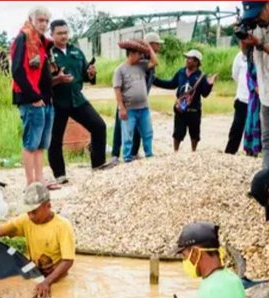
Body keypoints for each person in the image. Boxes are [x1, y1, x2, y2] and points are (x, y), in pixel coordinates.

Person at [0, 182, 75, 298]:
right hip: (37, 276)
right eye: (28, 212)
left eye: (34, 212)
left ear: (48, 206)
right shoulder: (26, 220)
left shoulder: (63, 226)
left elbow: (68, 261)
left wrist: (48, 282)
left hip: (57, 280)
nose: (31, 216)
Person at [11, 6, 67, 189]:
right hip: (30, 98)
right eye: (40, 20)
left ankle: (40, 180)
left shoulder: (43, 43)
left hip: (45, 98)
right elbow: (17, 70)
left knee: (42, 144)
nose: (43, 24)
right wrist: (32, 96)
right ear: (31, 20)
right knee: (30, 143)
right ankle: (30, 182)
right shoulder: (23, 39)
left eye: (46, 21)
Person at [48, 19, 108, 184]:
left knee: (99, 126)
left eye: (66, 32)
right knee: (55, 139)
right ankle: (60, 175)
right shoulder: (48, 53)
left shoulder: (76, 51)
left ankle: (98, 164)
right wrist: (58, 79)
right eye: (59, 33)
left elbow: (87, 76)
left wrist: (90, 73)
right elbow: (43, 81)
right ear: (51, 34)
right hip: (58, 101)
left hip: (77, 99)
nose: (64, 36)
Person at [111, 32, 164, 165]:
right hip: (129, 108)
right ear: (131, 53)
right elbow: (117, 90)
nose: (141, 56)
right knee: (127, 134)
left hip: (143, 108)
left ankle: (149, 154)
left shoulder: (141, 65)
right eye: (138, 54)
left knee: (147, 133)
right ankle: (127, 158)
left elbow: (155, 61)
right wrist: (121, 107)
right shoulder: (120, 70)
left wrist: (147, 46)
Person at [153, 50, 217, 152]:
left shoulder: (201, 76)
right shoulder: (181, 72)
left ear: (196, 62)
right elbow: (171, 84)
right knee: (177, 133)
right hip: (181, 109)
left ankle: (193, 152)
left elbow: (204, 94)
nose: (187, 60)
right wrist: (155, 80)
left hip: (194, 110)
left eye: (190, 59)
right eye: (187, 58)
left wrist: (210, 84)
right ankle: (176, 152)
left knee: (194, 134)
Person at [239, 1, 269, 168]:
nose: (256, 19)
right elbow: (247, 54)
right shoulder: (256, 25)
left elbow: (261, 46)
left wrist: (259, 44)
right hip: (265, 94)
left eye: (258, 14)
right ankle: (266, 181)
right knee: (267, 141)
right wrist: (244, 41)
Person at [224, 48, 250, 154]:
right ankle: (229, 153)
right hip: (242, 98)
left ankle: (252, 153)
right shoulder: (240, 56)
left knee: (254, 128)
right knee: (237, 127)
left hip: (258, 99)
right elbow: (235, 75)